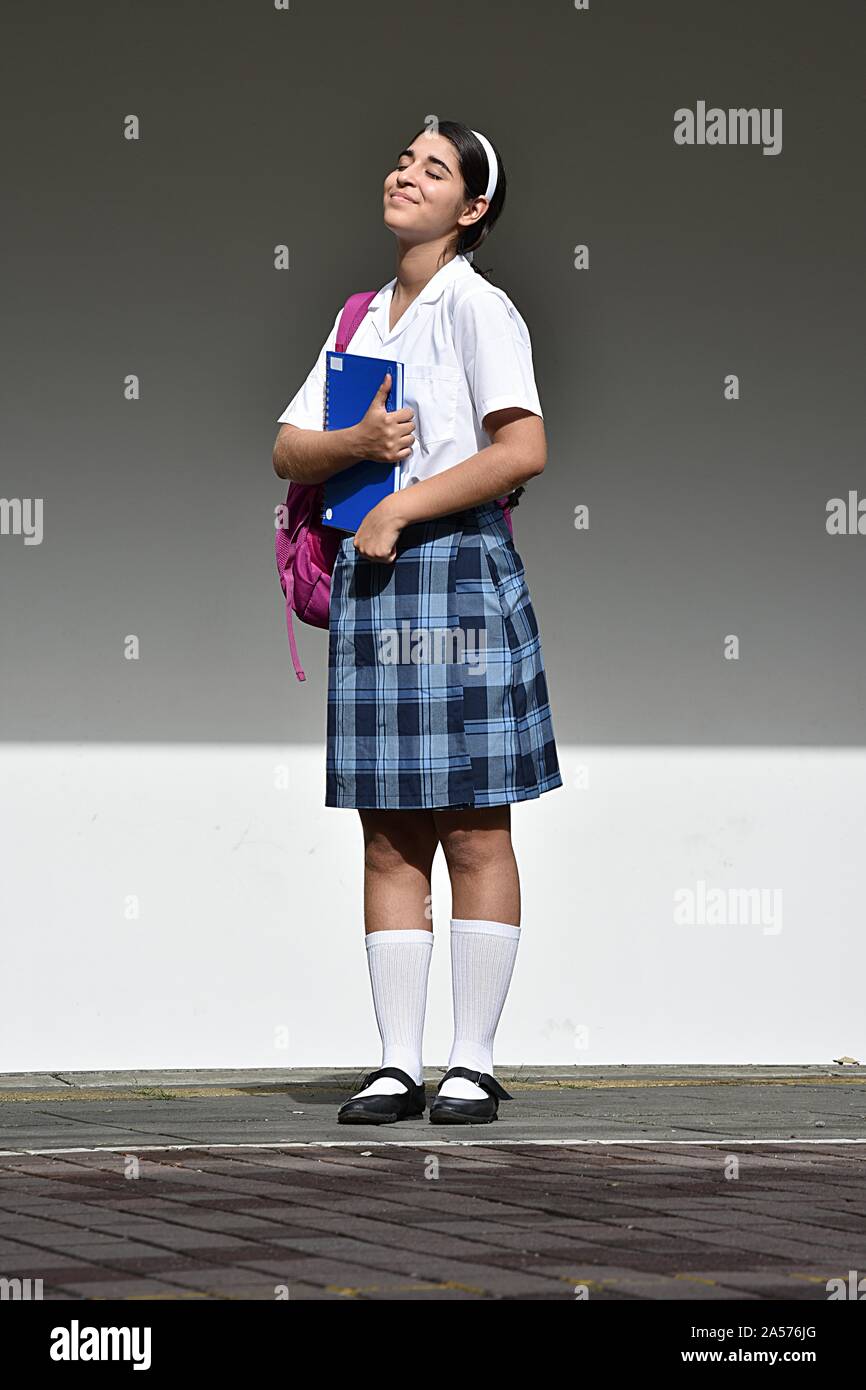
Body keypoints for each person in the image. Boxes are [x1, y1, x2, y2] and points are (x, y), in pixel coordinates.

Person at [272, 120, 563, 1125]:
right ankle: (397, 1063)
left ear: (471, 208)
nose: (405, 172)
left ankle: (470, 1060)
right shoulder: (358, 317)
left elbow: (520, 449)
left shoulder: (478, 308)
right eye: (403, 158)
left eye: (433, 168)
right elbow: (287, 447)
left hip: (453, 569)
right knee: (388, 832)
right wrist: (353, 443)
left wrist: (399, 502)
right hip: (371, 576)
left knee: (475, 822)